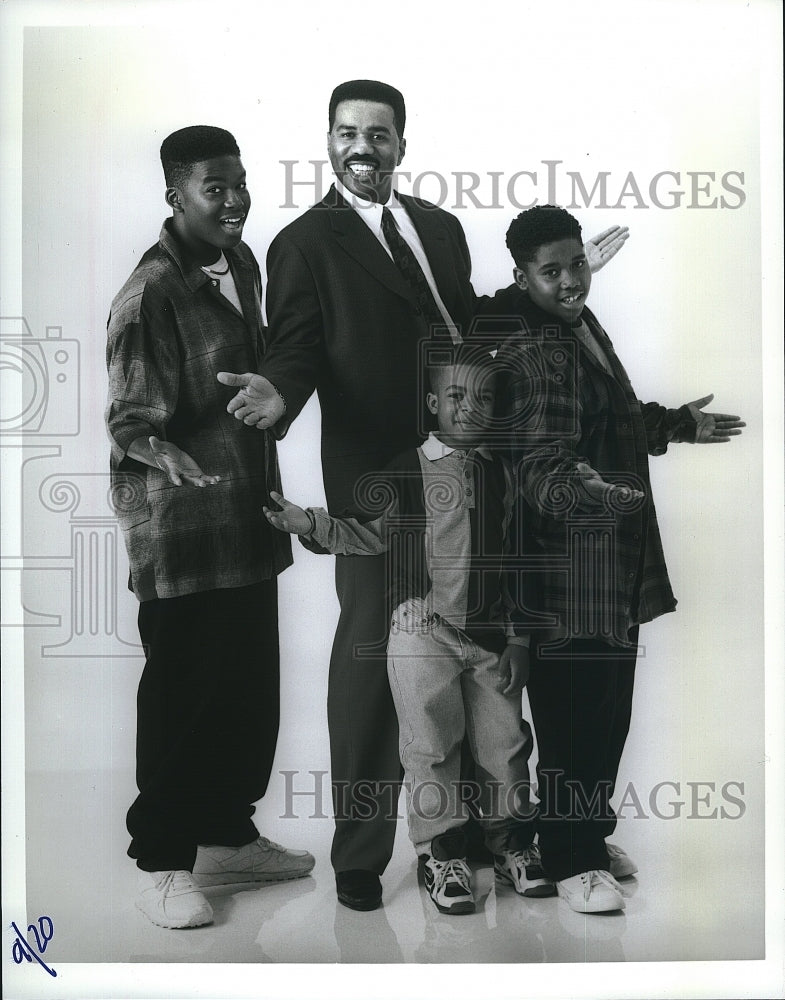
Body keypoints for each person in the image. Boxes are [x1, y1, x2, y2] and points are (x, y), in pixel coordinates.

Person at [216, 80, 628, 911]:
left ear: (402, 143)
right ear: (327, 143)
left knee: (480, 663)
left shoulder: (437, 228)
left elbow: (470, 324)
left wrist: (545, 287)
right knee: (379, 664)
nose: (360, 147)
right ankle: (361, 853)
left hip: (473, 463)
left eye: (377, 133)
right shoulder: (306, 241)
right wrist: (279, 393)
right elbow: (296, 344)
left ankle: (475, 836)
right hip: (380, 479)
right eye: (345, 133)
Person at [494, 204, 744, 913]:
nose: (571, 279)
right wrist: (582, 486)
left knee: (608, 712)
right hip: (565, 568)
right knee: (575, 716)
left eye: (577, 263)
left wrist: (677, 425)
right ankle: (569, 859)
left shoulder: (577, 324)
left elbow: (615, 412)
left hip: (614, 559)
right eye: (552, 271)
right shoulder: (533, 346)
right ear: (522, 277)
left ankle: (585, 835)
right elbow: (538, 461)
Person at [105, 125, 314, 930]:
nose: (233, 201)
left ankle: (226, 837)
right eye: (213, 188)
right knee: (183, 698)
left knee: (246, 694)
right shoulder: (148, 293)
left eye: (238, 183)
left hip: (245, 522)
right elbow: (128, 415)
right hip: (183, 533)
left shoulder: (242, 262)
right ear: (175, 195)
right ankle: (162, 860)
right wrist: (157, 448)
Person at [264, 347, 554, 915]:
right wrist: (311, 524)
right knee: (430, 744)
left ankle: (511, 845)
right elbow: (371, 537)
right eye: (455, 398)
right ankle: (440, 853)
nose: (470, 409)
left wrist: (519, 638)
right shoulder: (406, 468)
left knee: (506, 743)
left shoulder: (506, 472)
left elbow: (523, 561)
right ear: (432, 404)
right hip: (422, 631)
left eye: (485, 398)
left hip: (490, 635)